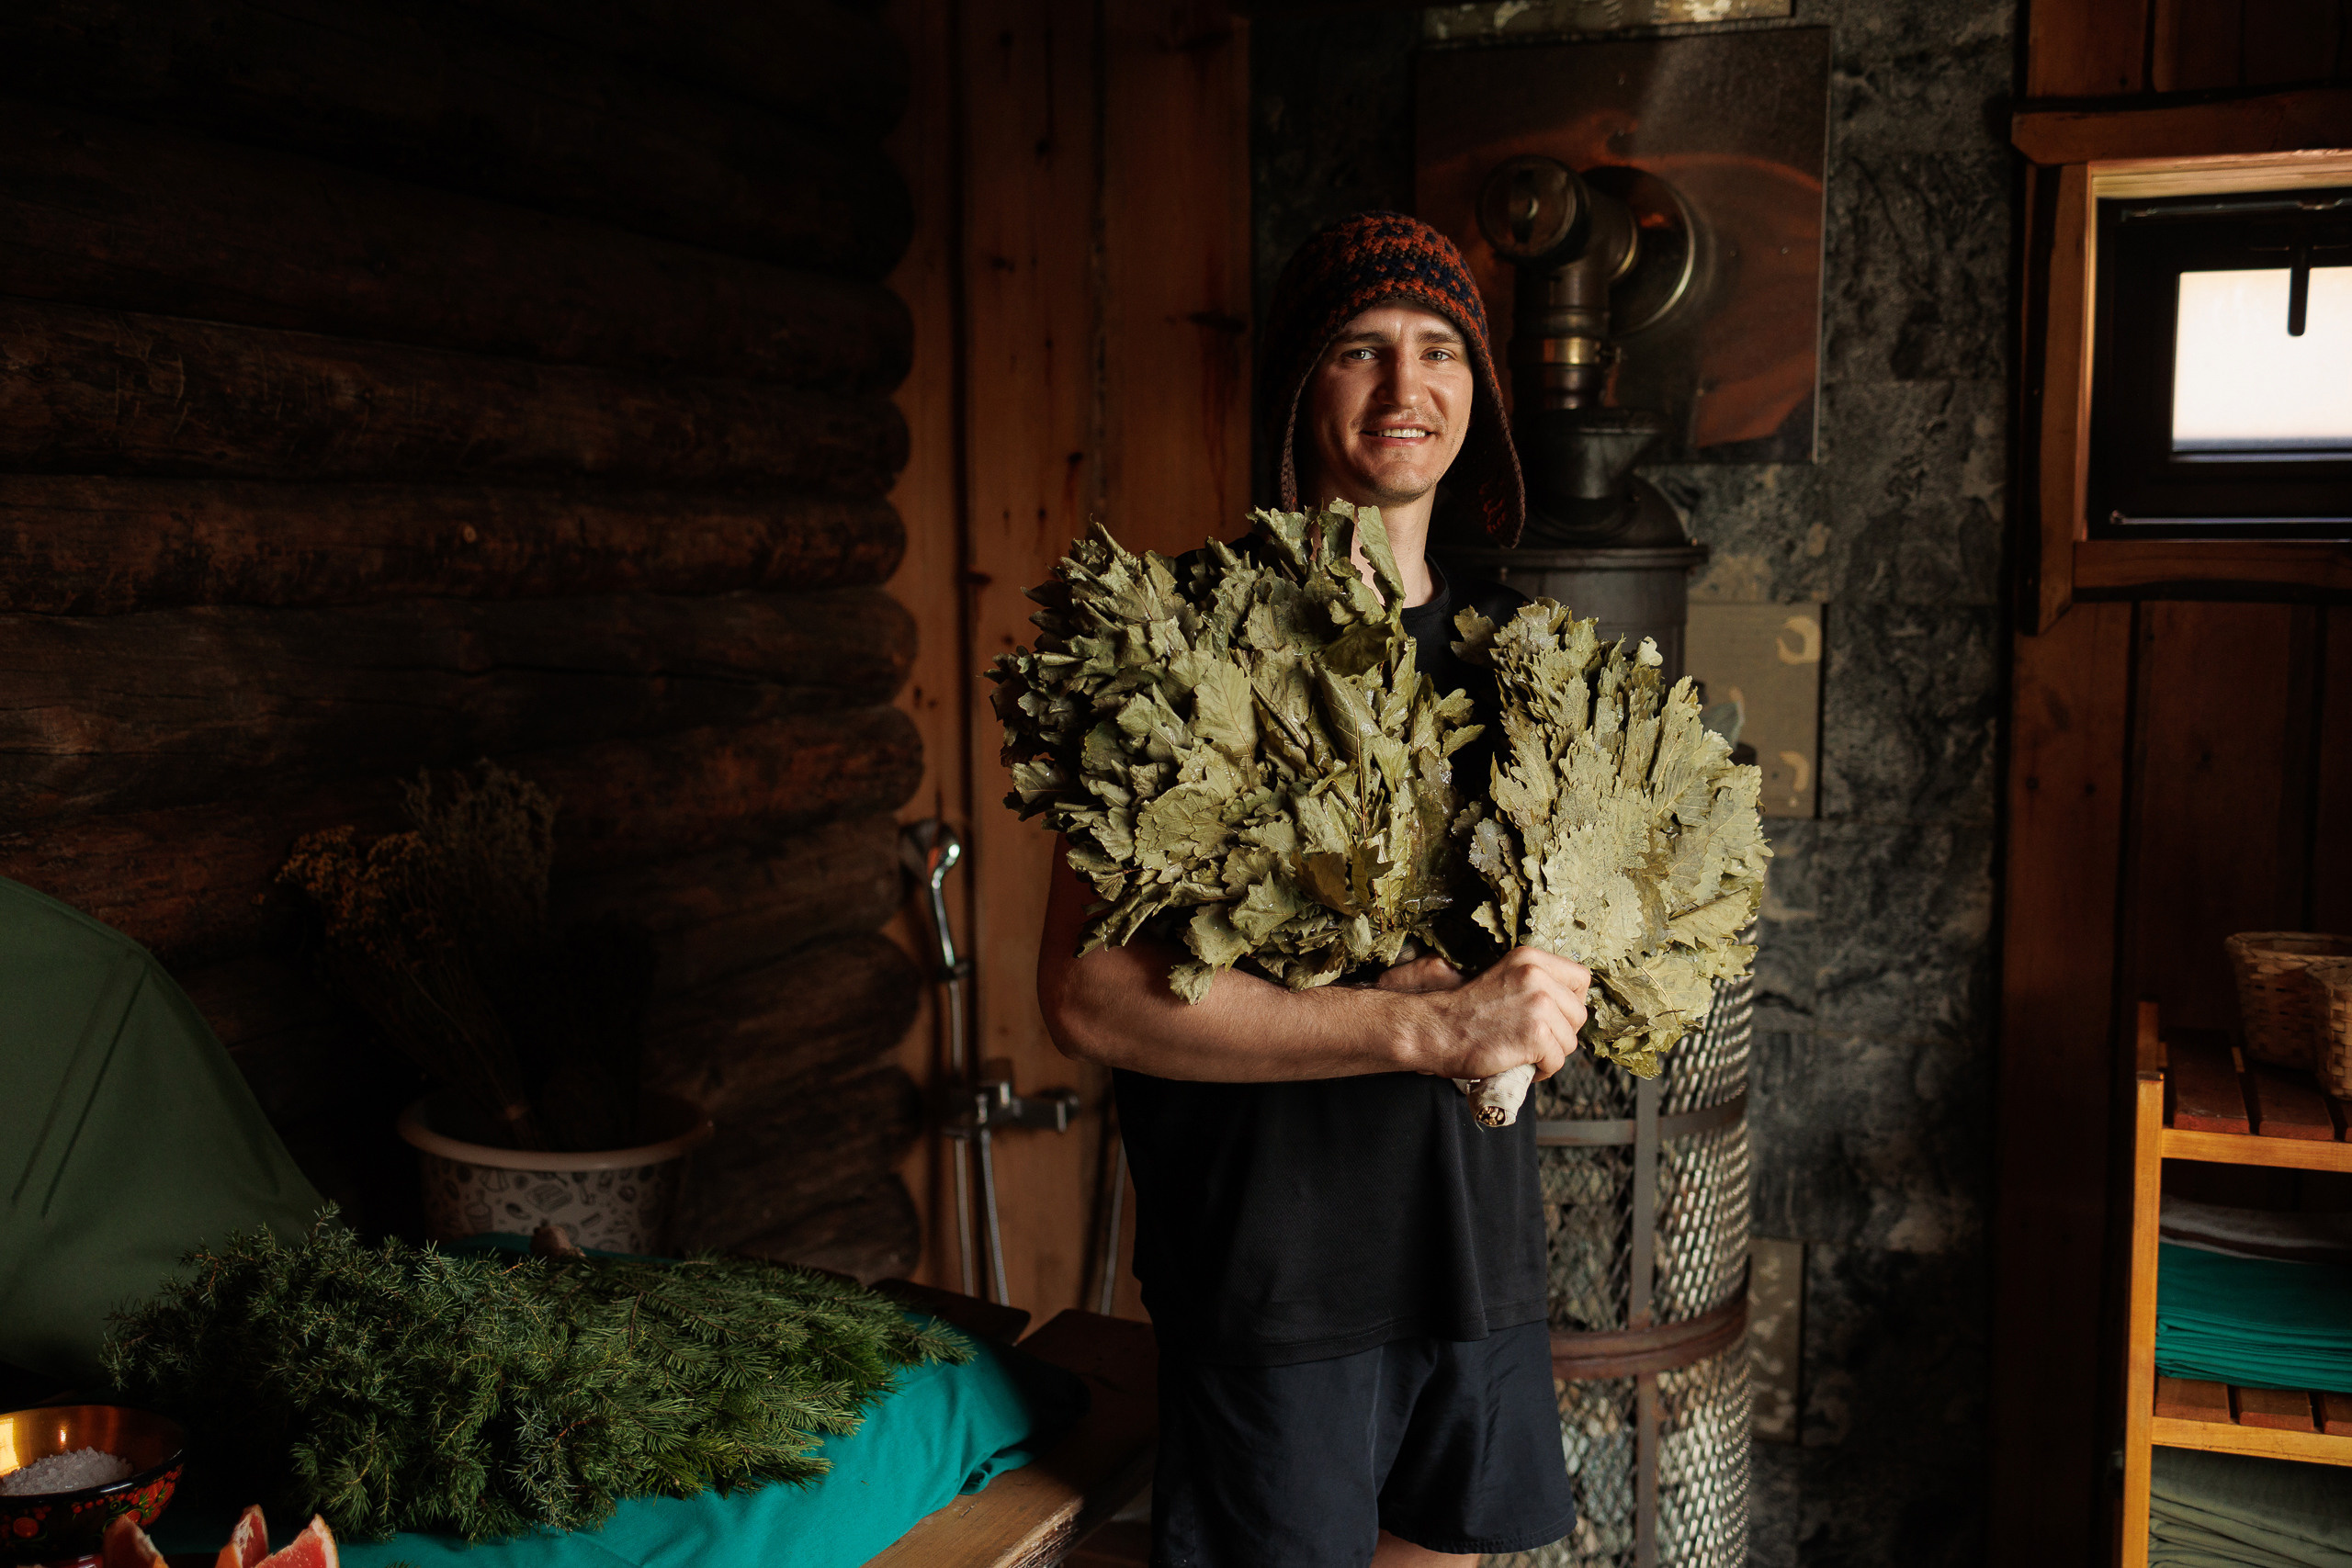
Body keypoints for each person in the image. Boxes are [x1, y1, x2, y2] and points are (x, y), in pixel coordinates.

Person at [1036, 211, 1591, 1567]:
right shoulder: (1178, 647)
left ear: (1481, 397)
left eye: (1439, 348)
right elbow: (1091, 995)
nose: (1408, 390)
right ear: (1303, 390)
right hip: (1279, 1284)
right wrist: (1421, 1030)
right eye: (1361, 350)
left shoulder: (1520, 661)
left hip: (1475, 1258)